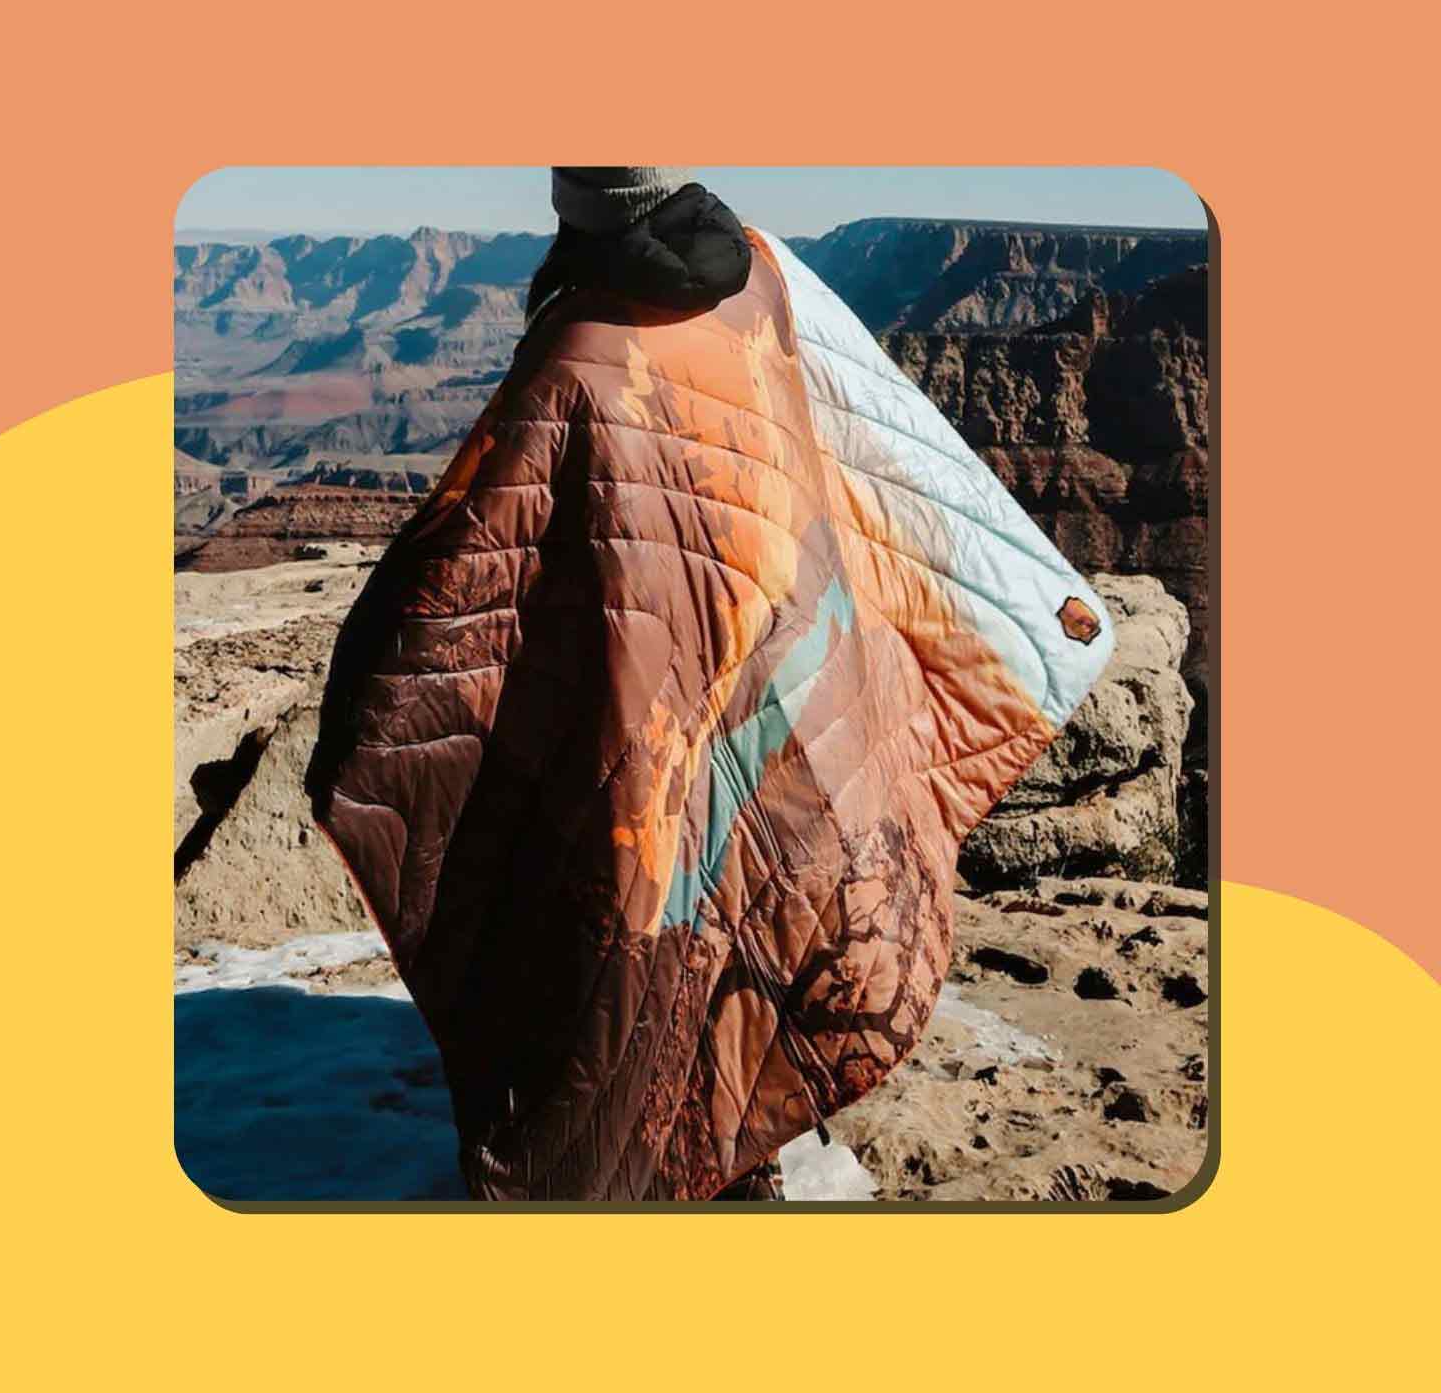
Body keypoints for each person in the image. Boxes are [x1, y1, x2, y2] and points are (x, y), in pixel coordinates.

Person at [305, 167, 1111, 1202]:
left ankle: (702, 1171)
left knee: (651, 942)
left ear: (574, 204)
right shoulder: (764, 269)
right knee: (762, 914)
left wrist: (364, 699)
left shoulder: (577, 352)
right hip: (792, 678)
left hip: (667, 709)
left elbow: (466, 564)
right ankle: (752, 1151)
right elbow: (879, 434)